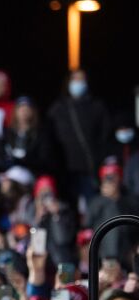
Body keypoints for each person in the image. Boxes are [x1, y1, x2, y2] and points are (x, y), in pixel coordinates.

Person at [46, 69, 113, 207]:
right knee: (67, 208)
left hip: (90, 168)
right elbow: (49, 138)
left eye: (81, 79)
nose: (78, 83)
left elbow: (105, 136)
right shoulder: (58, 108)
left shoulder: (97, 106)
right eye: (75, 79)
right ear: (68, 83)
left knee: (93, 206)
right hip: (66, 170)